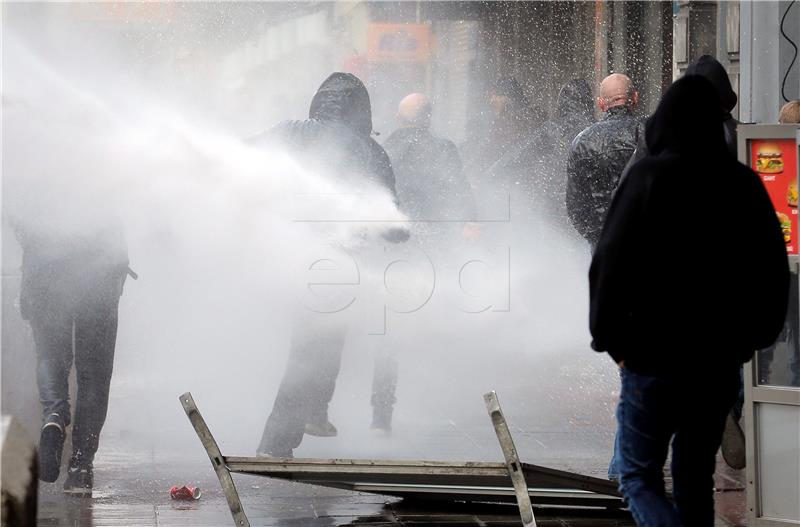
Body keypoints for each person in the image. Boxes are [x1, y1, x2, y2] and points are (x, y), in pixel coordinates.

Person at [589, 75, 789, 526]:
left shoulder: (646, 178)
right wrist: (752, 340)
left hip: (649, 355)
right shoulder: (742, 183)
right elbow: (772, 272)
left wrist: (610, 341)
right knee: (694, 474)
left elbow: (609, 263)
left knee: (638, 476)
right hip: (716, 360)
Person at [254, 72, 405, 457]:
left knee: (318, 343)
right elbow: (390, 218)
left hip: (293, 258)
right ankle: (277, 441)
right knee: (313, 348)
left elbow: (240, 158)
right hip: (339, 265)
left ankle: (313, 415)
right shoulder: (371, 151)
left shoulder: (291, 131)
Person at [14, 221, 129, 495]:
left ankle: (54, 413)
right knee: (94, 373)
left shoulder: (35, 178)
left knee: (50, 356)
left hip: (44, 266)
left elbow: (16, 212)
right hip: (100, 267)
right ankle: (80, 467)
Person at [489, 79, 594, 227]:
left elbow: (519, 154)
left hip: (558, 201)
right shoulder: (596, 129)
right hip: (589, 204)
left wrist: (492, 173)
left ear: (562, 102)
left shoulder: (553, 128)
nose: (492, 100)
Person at [566, 74, 641, 250]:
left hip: (604, 247)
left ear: (601, 104)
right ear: (635, 98)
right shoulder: (651, 131)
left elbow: (576, 206)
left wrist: (598, 237)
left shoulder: (582, 142)